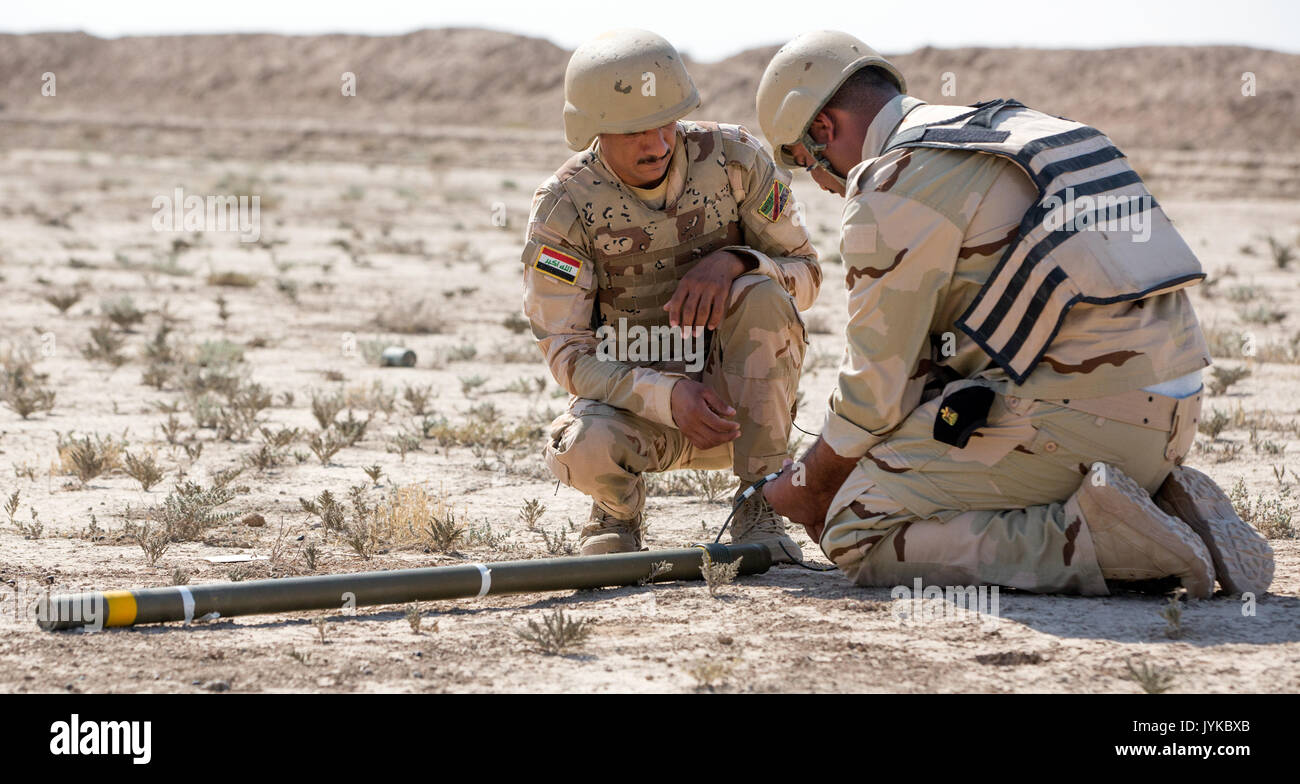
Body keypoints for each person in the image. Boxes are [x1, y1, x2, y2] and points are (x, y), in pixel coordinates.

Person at [755, 30, 1274, 597]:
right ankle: (1150, 497)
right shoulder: (1021, 129)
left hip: (1083, 423)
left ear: (825, 129)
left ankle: (1102, 541)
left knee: (856, 526)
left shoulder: (895, 183)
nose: (827, 186)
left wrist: (806, 485)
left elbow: (875, 394)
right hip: (1174, 420)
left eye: (811, 163)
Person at [521, 29, 822, 560]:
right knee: (579, 447)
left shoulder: (735, 161)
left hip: (740, 414)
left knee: (764, 293)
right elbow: (567, 352)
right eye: (635, 130)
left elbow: (807, 274)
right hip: (641, 414)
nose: (657, 144)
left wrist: (736, 262)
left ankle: (758, 497)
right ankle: (617, 512)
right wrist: (665, 395)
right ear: (593, 129)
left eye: (667, 122)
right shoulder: (564, 207)